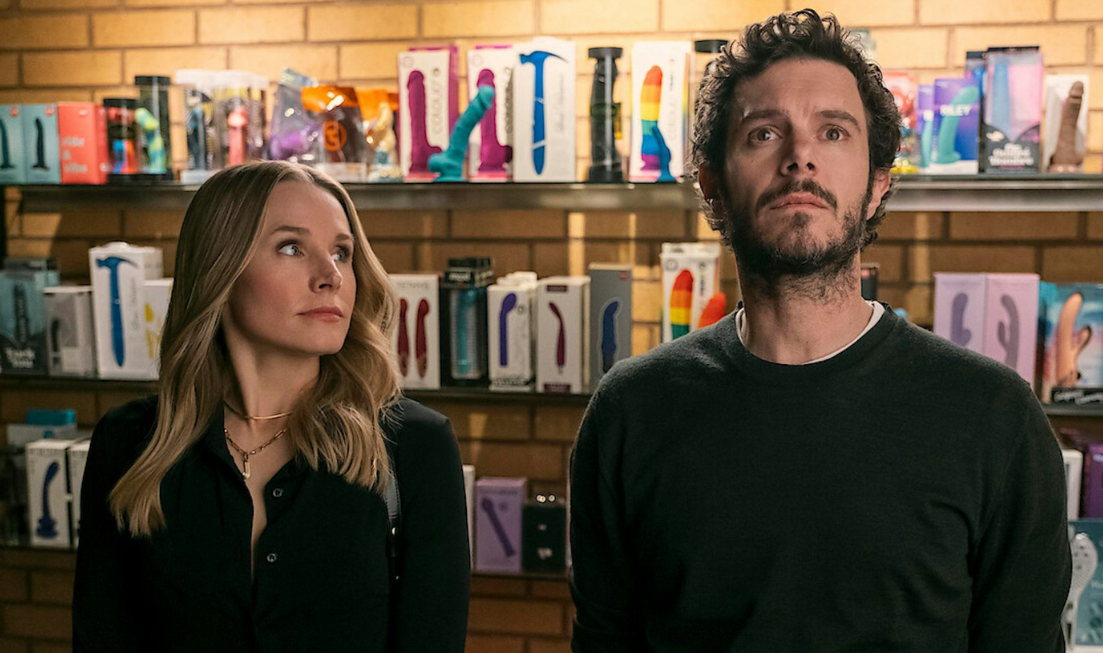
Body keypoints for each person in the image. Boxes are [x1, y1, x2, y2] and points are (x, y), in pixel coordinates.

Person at [569, 10, 1071, 653]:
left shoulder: (994, 418)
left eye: (833, 132)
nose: (799, 155)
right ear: (713, 189)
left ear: (876, 185)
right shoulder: (630, 412)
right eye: (763, 132)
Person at [73, 161, 470, 653]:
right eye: (291, 247)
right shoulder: (130, 443)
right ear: (222, 267)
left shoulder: (414, 447)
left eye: (342, 253)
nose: (331, 276)